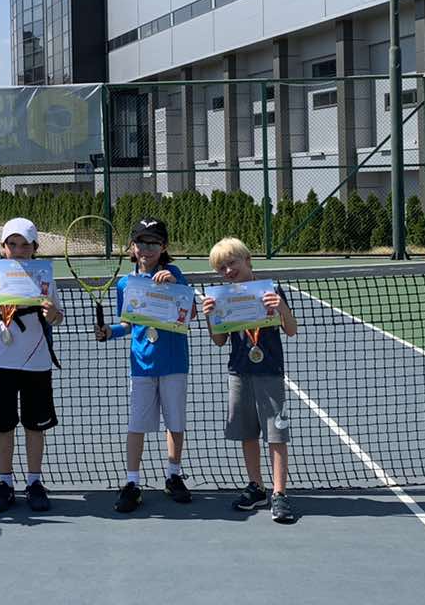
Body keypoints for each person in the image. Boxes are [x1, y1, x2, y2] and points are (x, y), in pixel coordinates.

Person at [94, 217, 192, 513]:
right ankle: (132, 482)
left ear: (164, 247)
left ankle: (173, 475)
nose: (146, 248)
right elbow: (128, 323)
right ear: (132, 246)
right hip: (141, 366)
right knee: (137, 425)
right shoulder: (125, 284)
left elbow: (190, 314)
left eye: (153, 243)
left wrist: (174, 284)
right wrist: (110, 331)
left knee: (175, 423)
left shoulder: (175, 274)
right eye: (141, 242)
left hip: (174, 363)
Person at [201, 237, 300, 524]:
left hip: (269, 371)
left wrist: (281, 308)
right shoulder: (222, 297)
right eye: (221, 268)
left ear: (247, 260)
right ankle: (256, 486)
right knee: (247, 433)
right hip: (239, 372)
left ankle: (279, 492)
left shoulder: (271, 290)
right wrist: (210, 316)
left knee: (276, 434)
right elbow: (219, 340)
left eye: (231, 263)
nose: (228, 271)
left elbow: (291, 330)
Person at [0, 217, 64, 512]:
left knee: (35, 426)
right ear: (4, 247)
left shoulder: (45, 277)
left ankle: (34, 482)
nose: (18, 250)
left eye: (25, 245)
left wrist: (52, 314)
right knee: (3, 425)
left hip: (37, 362)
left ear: (35, 247)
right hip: (1, 361)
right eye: (12, 244)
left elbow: (57, 317)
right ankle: (5, 483)